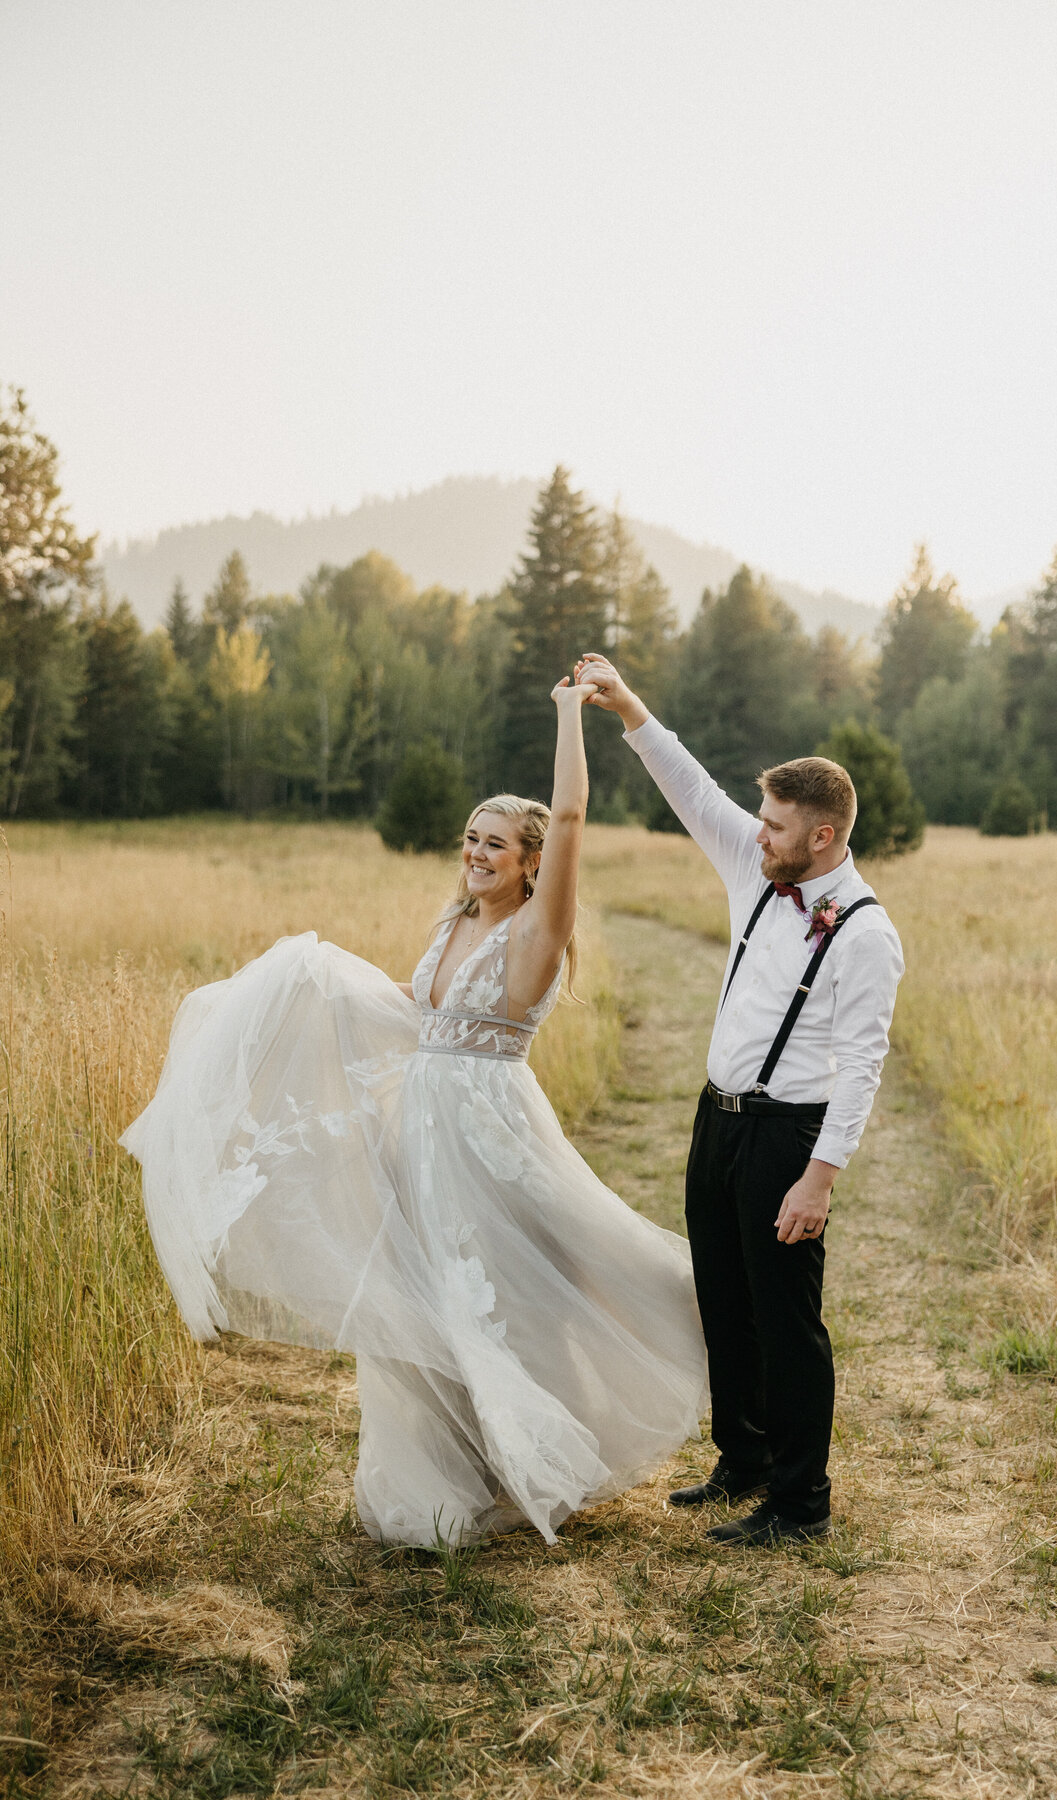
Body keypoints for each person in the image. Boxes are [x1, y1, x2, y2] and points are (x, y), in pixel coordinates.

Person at [120, 676, 707, 1549]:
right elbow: (417, 1013)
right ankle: (452, 1469)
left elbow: (573, 818)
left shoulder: (536, 933)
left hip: (489, 1132)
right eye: (471, 839)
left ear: (532, 862)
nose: (477, 854)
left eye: (497, 844)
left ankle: (580, 1425)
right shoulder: (457, 920)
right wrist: (316, 984)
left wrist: (566, 716)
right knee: (429, 1297)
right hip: (422, 1136)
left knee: (517, 1291)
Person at [574, 653, 904, 1547]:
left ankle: (802, 1504)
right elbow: (688, 784)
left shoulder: (869, 936)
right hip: (714, 1121)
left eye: (777, 826)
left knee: (785, 1322)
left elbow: (864, 1063)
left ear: (825, 837)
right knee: (723, 1299)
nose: (758, 834)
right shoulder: (753, 871)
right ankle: (744, 1458)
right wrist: (629, 703)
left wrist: (820, 1177)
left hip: (788, 1138)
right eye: (760, 820)